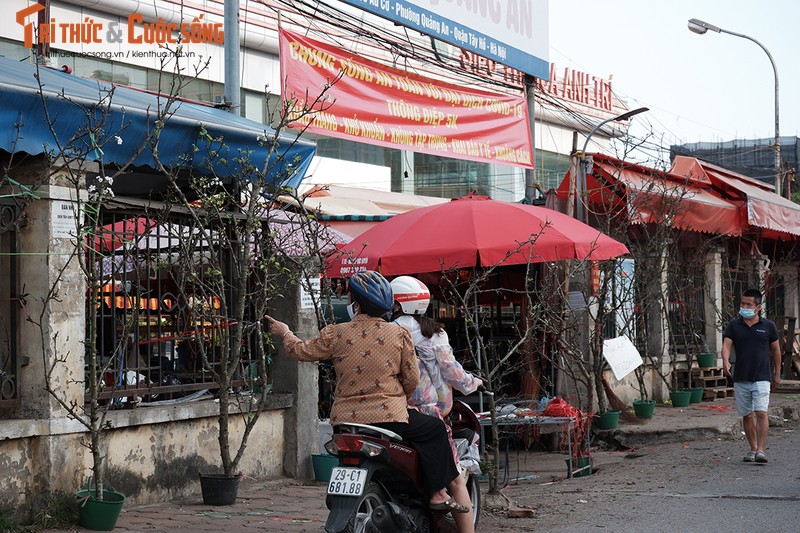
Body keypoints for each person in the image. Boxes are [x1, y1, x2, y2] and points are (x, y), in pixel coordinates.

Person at [265, 270, 468, 514]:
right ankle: (437, 493)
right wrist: (403, 400)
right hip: (390, 420)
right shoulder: (399, 334)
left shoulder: (336, 333)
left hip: (345, 422)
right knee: (434, 429)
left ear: (356, 305)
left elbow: (300, 351)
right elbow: (411, 378)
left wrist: (285, 332)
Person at [390, 275, 482, 533]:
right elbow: (452, 372)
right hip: (432, 413)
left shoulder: (387, 331)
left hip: (393, 411)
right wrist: (473, 383)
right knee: (454, 479)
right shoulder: (434, 333)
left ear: (395, 303)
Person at [721, 288, 781, 464]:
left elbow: (776, 351)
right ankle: (753, 448)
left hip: (762, 376)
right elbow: (726, 345)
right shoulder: (734, 325)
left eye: (748, 304)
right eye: (742, 303)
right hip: (741, 377)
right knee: (747, 415)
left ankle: (761, 450)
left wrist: (777, 374)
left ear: (758, 307)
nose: (744, 307)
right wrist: (725, 360)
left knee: (761, 412)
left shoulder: (768, 326)